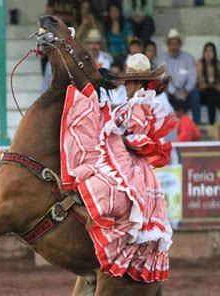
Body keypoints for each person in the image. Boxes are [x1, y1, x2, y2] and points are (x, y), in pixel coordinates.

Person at [60, 53, 174, 283]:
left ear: (139, 82)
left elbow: (137, 136)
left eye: (130, 81)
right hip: (129, 162)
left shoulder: (141, 103)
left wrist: (117, 135)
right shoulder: (136, 102)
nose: (127, 85)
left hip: (130, 165)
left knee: (104, 188)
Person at [156, 28, 200, 123]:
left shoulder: (188, 58)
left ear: (180, 45)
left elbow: (192, 77)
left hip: (186, 91)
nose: (174, 47)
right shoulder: (161, 59)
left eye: (176, 43)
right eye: (171, 44)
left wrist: (186, 91)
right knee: (162, 96)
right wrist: (174, 92)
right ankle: (165, 124)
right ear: (168, 45)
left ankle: (197, 123)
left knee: (195, 94)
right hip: (170, 91)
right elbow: (164, 79)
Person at [196, 42, 220, 124]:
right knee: (212, 90)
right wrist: (213, 86)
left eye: (211, 51)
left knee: (212, 94)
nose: (208, 53)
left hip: (213, 96)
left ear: (214, 53)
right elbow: (201, 85)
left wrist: (215, 87)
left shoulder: (219, 64)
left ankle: (211, 124)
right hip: (201, 95)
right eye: (206, 51)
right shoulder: (200, 63)